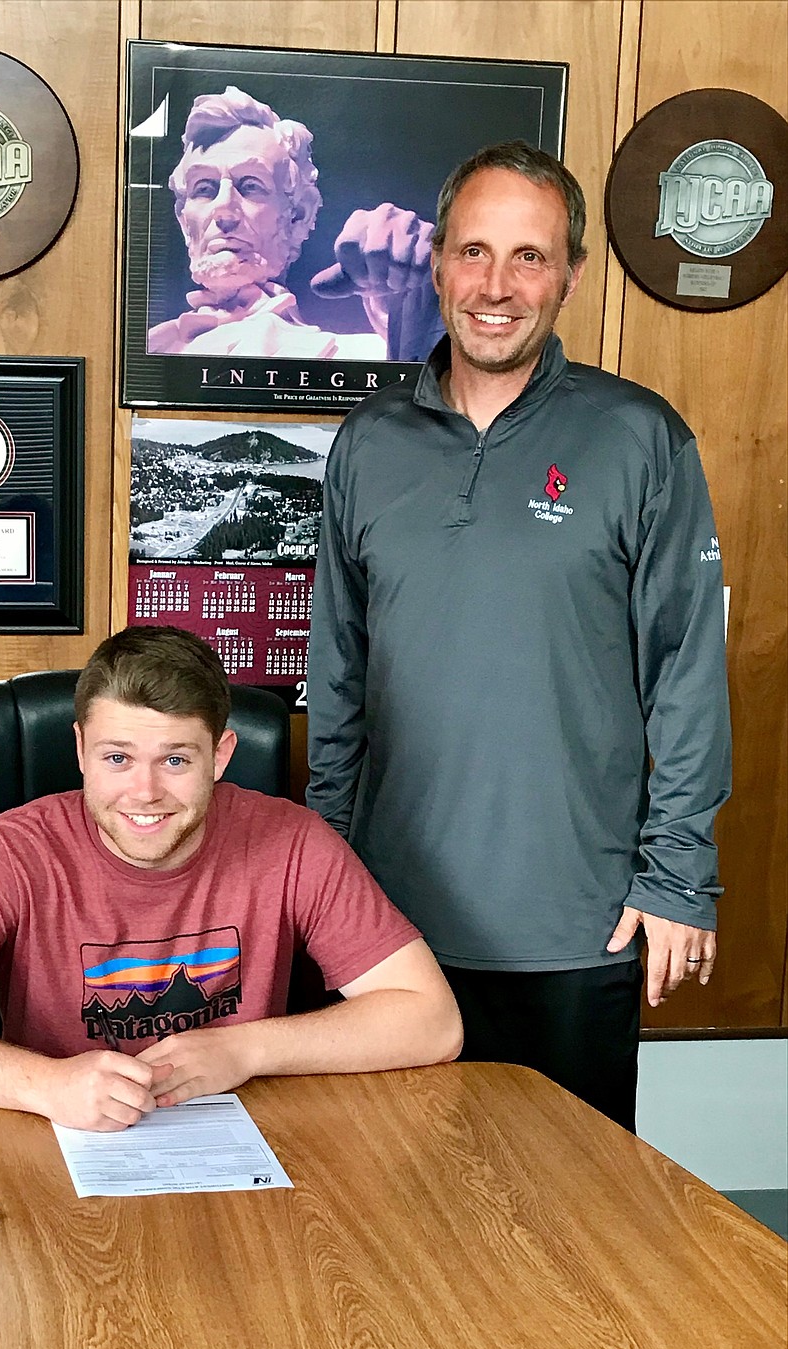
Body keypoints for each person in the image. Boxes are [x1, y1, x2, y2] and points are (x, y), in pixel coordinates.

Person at [305, 140, 731, 1132]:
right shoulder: (368, 445)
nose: (498, 286)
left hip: (579, 927)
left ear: (571, 274)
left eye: (529, 257)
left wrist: (678, 877)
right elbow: (337, 680)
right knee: (395, 1236)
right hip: (392, 933)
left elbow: (688, 675)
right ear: (439, 263)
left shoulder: (640, 438)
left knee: (573, 1237)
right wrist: (323, 880)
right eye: (475, 252)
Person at [0, 626, 461, 1131]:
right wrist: (47, 1084)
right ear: (80, 750)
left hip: (250, 1147)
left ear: (220, 756)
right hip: (59, 1142)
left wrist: (248, 1050)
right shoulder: (8, 853)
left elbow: (431, 1021)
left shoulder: (294, 842)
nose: (145, 792)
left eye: (175, 759)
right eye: (117, 758)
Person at [147, 86, 442, 362]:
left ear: (299, 216)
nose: (224, 210)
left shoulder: (360, 355)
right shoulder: (144, 354)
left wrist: (417, 297)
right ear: (184, 221)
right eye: (204, 188)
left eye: (250, 186)